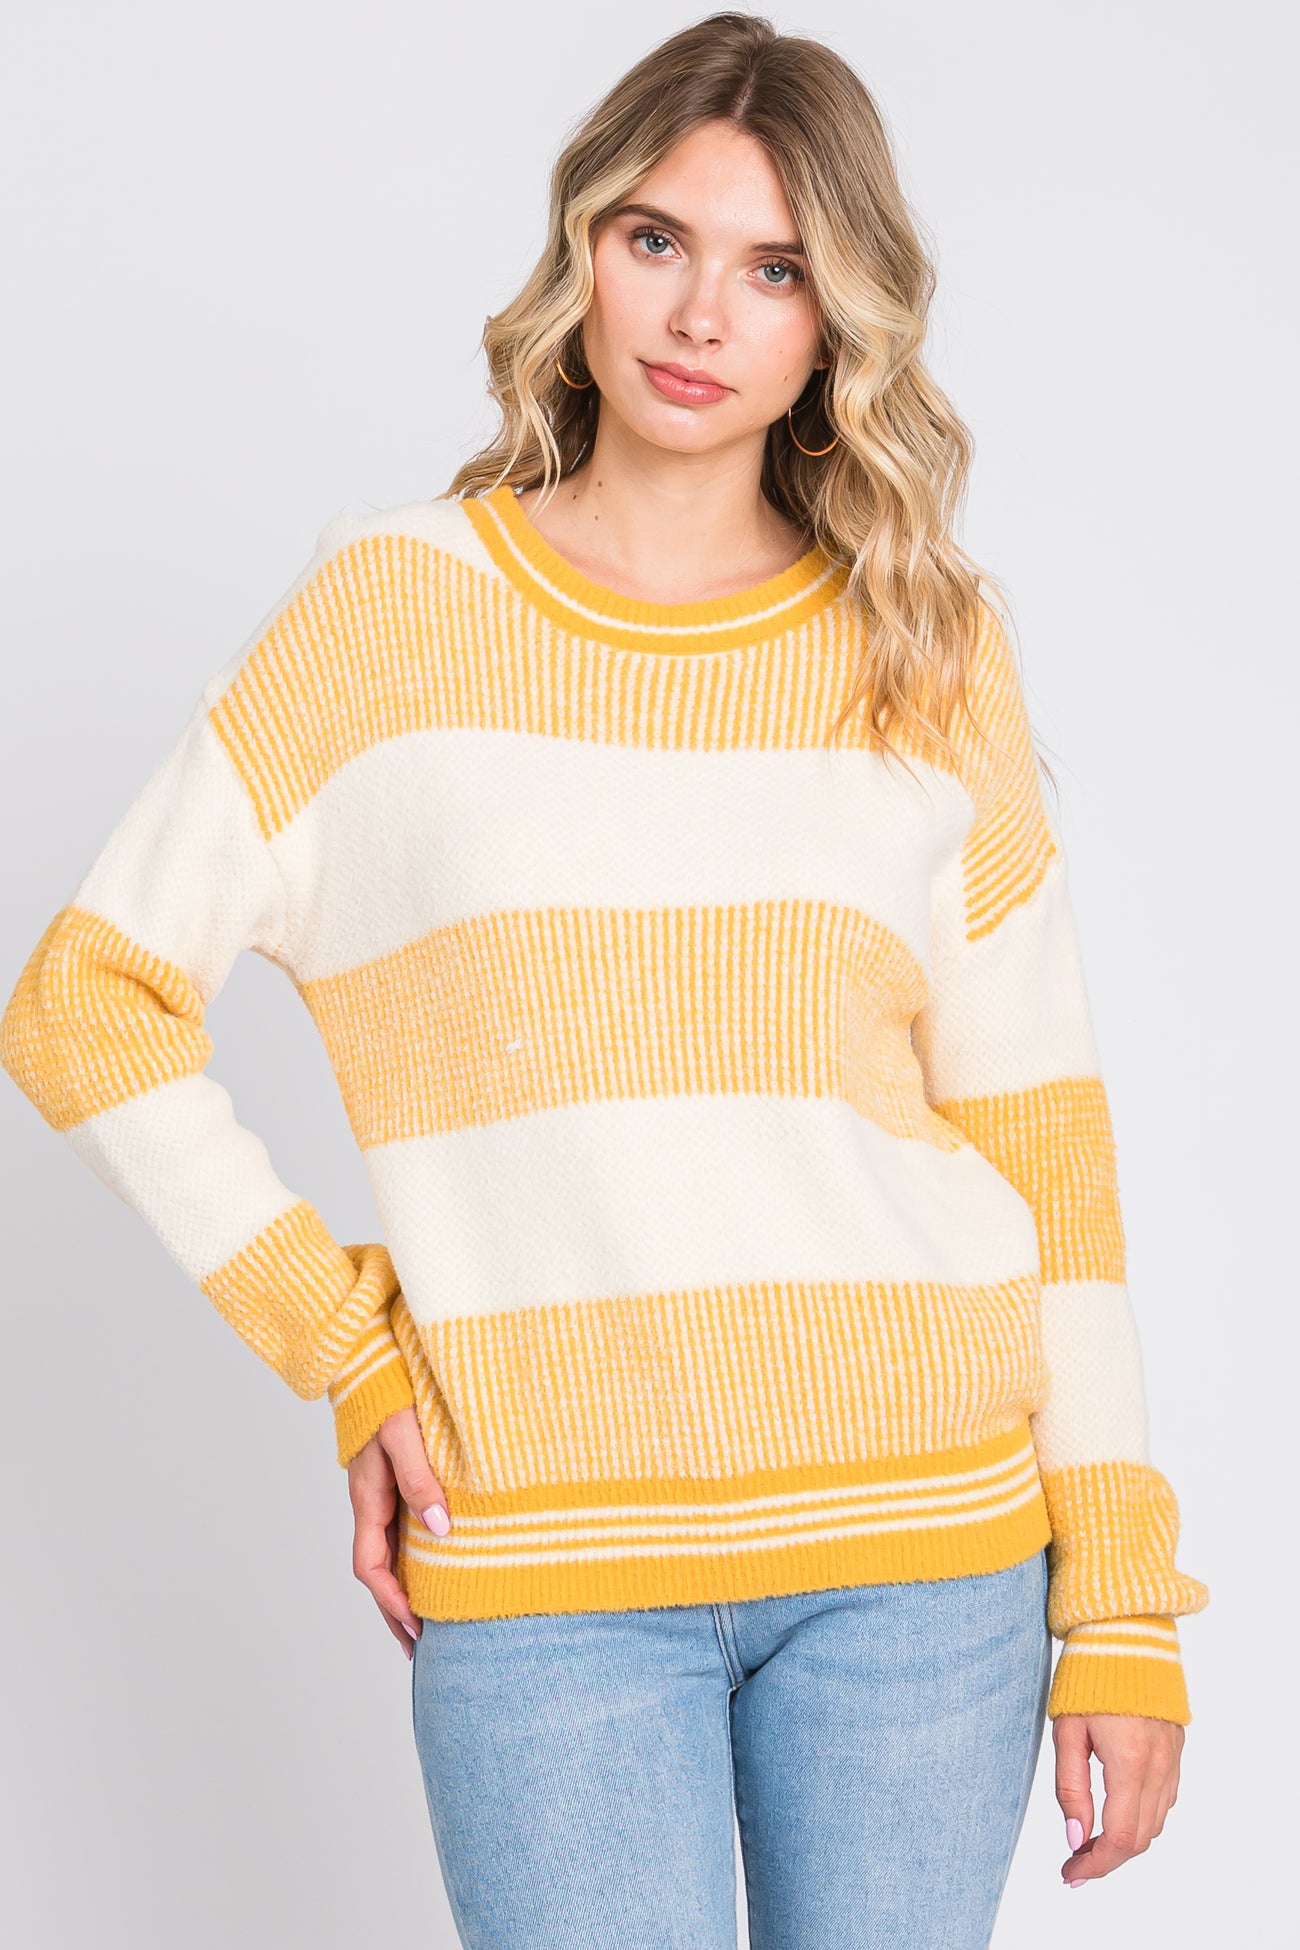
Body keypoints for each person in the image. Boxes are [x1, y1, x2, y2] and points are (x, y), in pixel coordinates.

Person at [0, 13, 1207, 1948]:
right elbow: (85, 1000)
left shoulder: (924, 644)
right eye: (659, 240)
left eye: (776, 269)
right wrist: (346, 1341)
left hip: (928, 1560)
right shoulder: (389, 616)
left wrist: (1124, 1602)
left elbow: (1045, 1143)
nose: (702, 313)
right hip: (547, 1566)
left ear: (836, 325)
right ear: (583, 251)